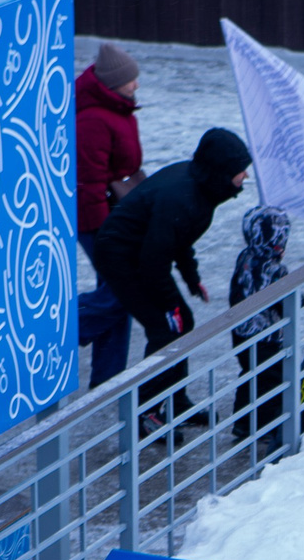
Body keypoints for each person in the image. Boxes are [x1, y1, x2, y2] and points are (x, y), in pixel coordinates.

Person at [88, 128, 253, 401]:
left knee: (181, 322)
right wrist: (169, 304)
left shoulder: (203, 188)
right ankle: (146, 408)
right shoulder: (182, 197)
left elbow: (179, 237)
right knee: (164, 328)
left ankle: (176, 400)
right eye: (240, 169)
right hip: (120, 257)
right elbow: (155, 260)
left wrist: (191, 277)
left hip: (143, 253)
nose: (246, 175)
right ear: (221, 170)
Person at [75, 44, 144, 385]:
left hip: (115, 211)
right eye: (131, 80)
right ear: (114, 82)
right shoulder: (93, 119)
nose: (136, 85)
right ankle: (68, 325)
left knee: (119, 289)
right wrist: (105, 232)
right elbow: (89, 181)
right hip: (98, 218)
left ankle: (107, 378)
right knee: (124, 288)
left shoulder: (115, 109)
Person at [226, 206, 291, 438]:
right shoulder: (274, 269)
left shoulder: (245, 257)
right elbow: (289, 301)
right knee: (271, 376)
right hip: (266, 335)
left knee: (250, 372)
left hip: (242, 332)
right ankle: (263, 424)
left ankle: (243, 421)